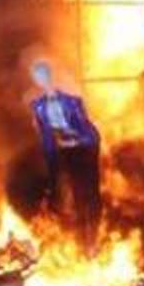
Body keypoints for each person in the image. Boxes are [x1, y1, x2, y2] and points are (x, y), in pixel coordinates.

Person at [29, 60, 102, 247]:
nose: (41, 79)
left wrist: (79, 141)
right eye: (37, 76)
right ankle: (79, 246)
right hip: (64, 152)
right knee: (70, 198)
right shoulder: (37, 106)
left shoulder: (72, 101)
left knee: (89, 197)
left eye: (44, 74)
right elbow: (46, 135)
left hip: (85, 150)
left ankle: (93, 241)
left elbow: (86, 128)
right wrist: (52, 163)